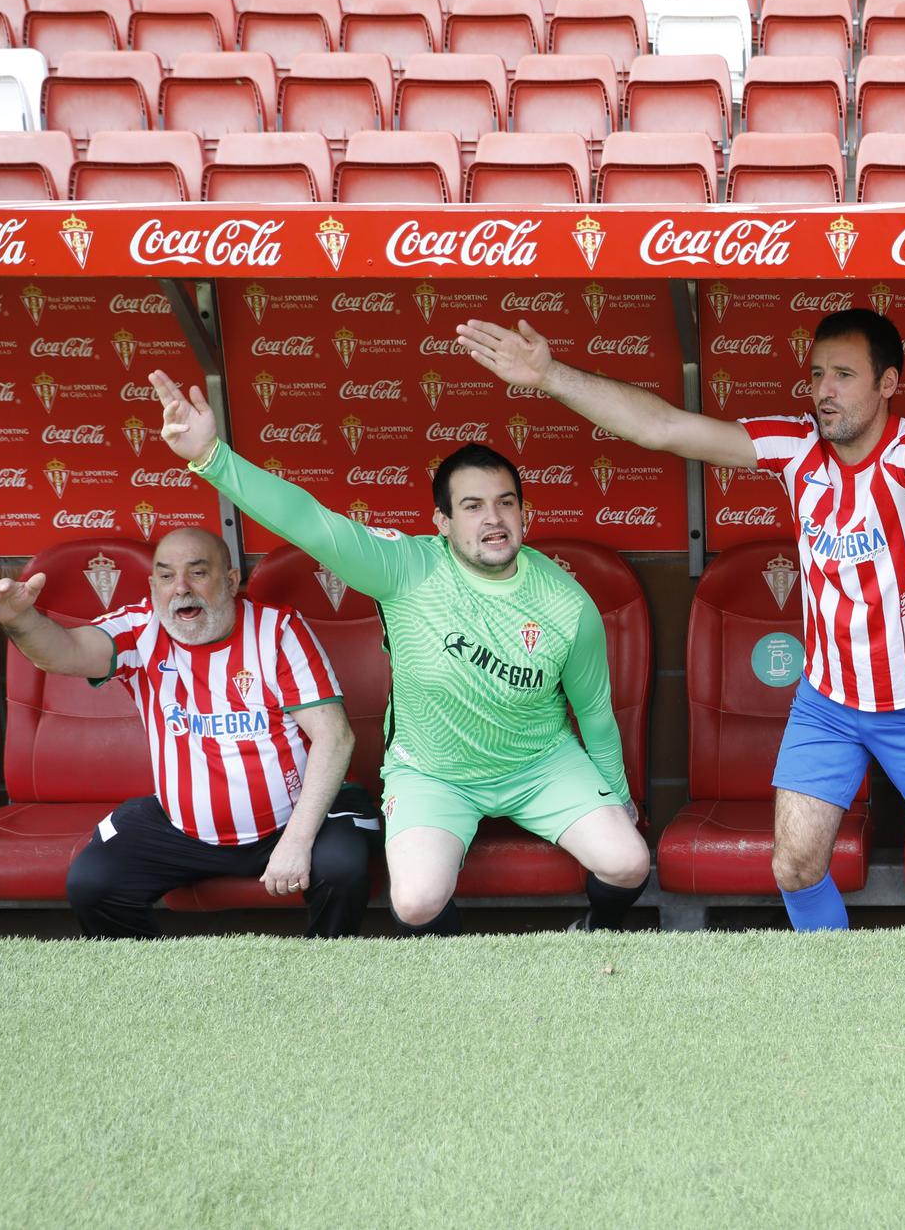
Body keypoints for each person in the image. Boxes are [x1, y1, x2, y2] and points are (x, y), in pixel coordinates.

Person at [456, 308, 905, 932]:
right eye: (817, 374)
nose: (824, 391)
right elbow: (665, 427)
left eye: (844, 375)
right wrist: (550, 376)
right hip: (829, 701)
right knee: (795, 864)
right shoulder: (797, 446)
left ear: (888, 384)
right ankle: (836, 1006)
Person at [149, 371, 650, 936]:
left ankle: (597, 930)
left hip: (539, 764)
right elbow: (311, 523)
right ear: (443, 522)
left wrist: (621, 798)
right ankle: (462, 970)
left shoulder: (567, 602)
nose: (493, 519)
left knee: (629, 860)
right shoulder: (406, 567)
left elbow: (596, 713)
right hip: (434, 773)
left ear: (524, 515)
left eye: (506, 504)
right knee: (413, 902)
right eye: (473, 506)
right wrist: (212, 457)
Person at [0, 527, 374, 937]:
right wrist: (20, 620)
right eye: (165, 576)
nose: (180, 588)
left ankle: (325, 978)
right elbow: (64, 654)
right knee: (93, 883)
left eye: (197, 573)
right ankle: (151, 983)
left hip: (293, 819)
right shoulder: (140, 627)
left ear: (231, 581)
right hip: (184, 827)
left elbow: (334, 737)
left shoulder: (276, 631)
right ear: (152, 585)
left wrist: (297, 841)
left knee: (343, 867)